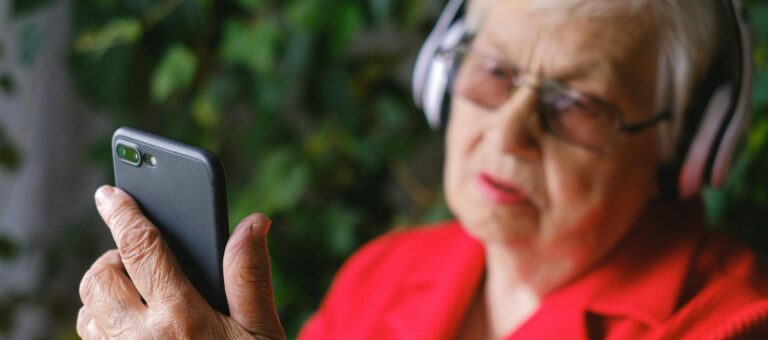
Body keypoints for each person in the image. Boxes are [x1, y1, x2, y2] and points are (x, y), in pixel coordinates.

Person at [76, 0, 768, 339]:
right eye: (493, 71)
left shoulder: (735, 324)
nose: (508, 131)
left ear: (685, 148)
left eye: (577, 104)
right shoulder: (385, 275)